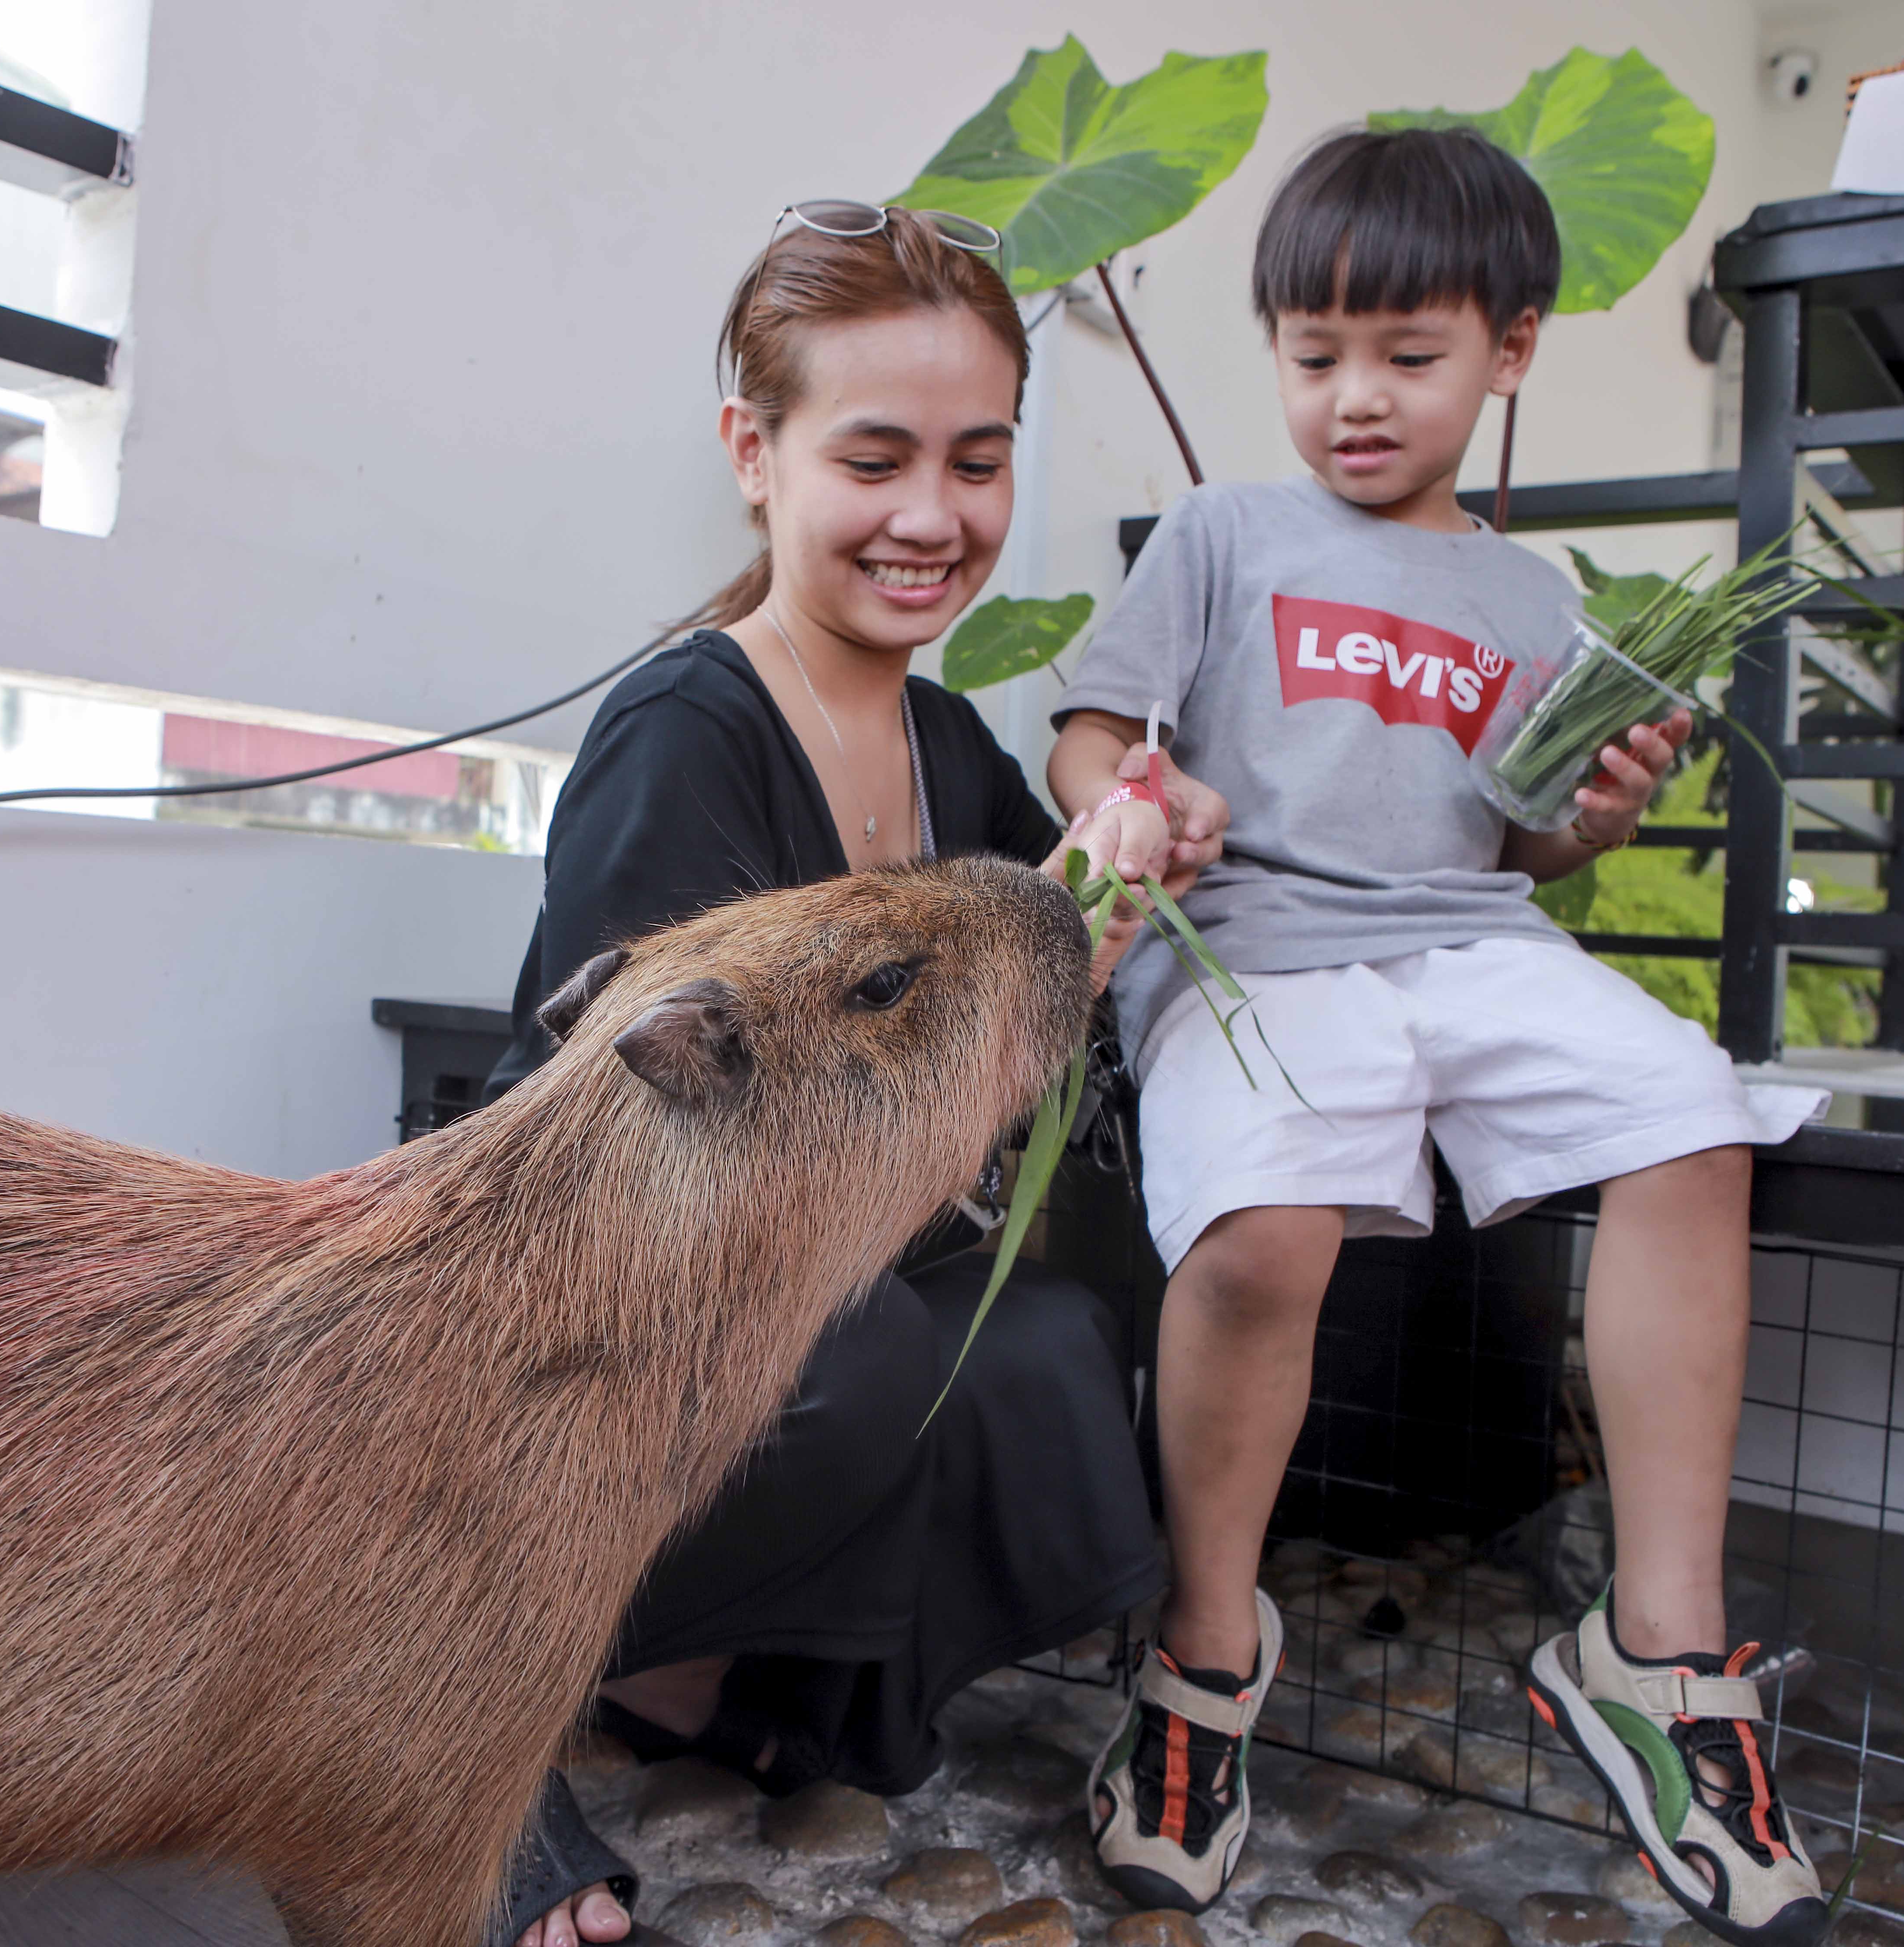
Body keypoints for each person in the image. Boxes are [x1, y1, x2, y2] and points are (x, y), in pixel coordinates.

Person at [1045, 128, 1831, 1945]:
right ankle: (1205, 1654)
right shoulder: (1232, 534)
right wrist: (1136, 795)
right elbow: (1089, 730)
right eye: (1315, 359)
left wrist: (1598, 813)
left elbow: (1525, 837)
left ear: (1512, 347)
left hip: (1470, 941)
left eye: (1408, 357)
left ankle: (1660, 1651)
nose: (1355, 401)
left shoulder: (1535, 599)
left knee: (1688, 1118)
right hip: (1256, 952)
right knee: (1265, 1232)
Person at [479, 201, 1228, 1947]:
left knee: (1038, 1334)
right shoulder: (688, 732)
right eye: (875, 456)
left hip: (810, 1297)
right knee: (869, 1348)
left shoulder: (939, 738)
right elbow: (649, 1170)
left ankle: (687, 1682)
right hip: (583, 1349)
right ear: (755, 454)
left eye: (978, 463)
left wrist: (1120, 874)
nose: (933, 517)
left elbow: (1031, 1016)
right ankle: (463, 1712)